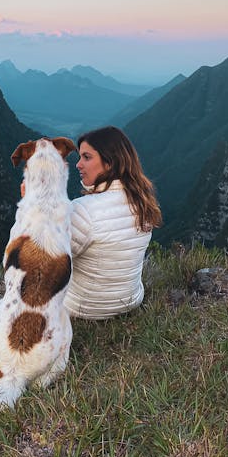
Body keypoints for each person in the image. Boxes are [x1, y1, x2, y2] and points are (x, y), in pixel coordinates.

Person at [63, 126, 162, 320]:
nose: (78, 165)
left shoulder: (83, 209)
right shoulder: (143, 203)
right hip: (130, 301)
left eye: (87, 157)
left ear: (109, 163)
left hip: (83, 308)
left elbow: (51, 260)